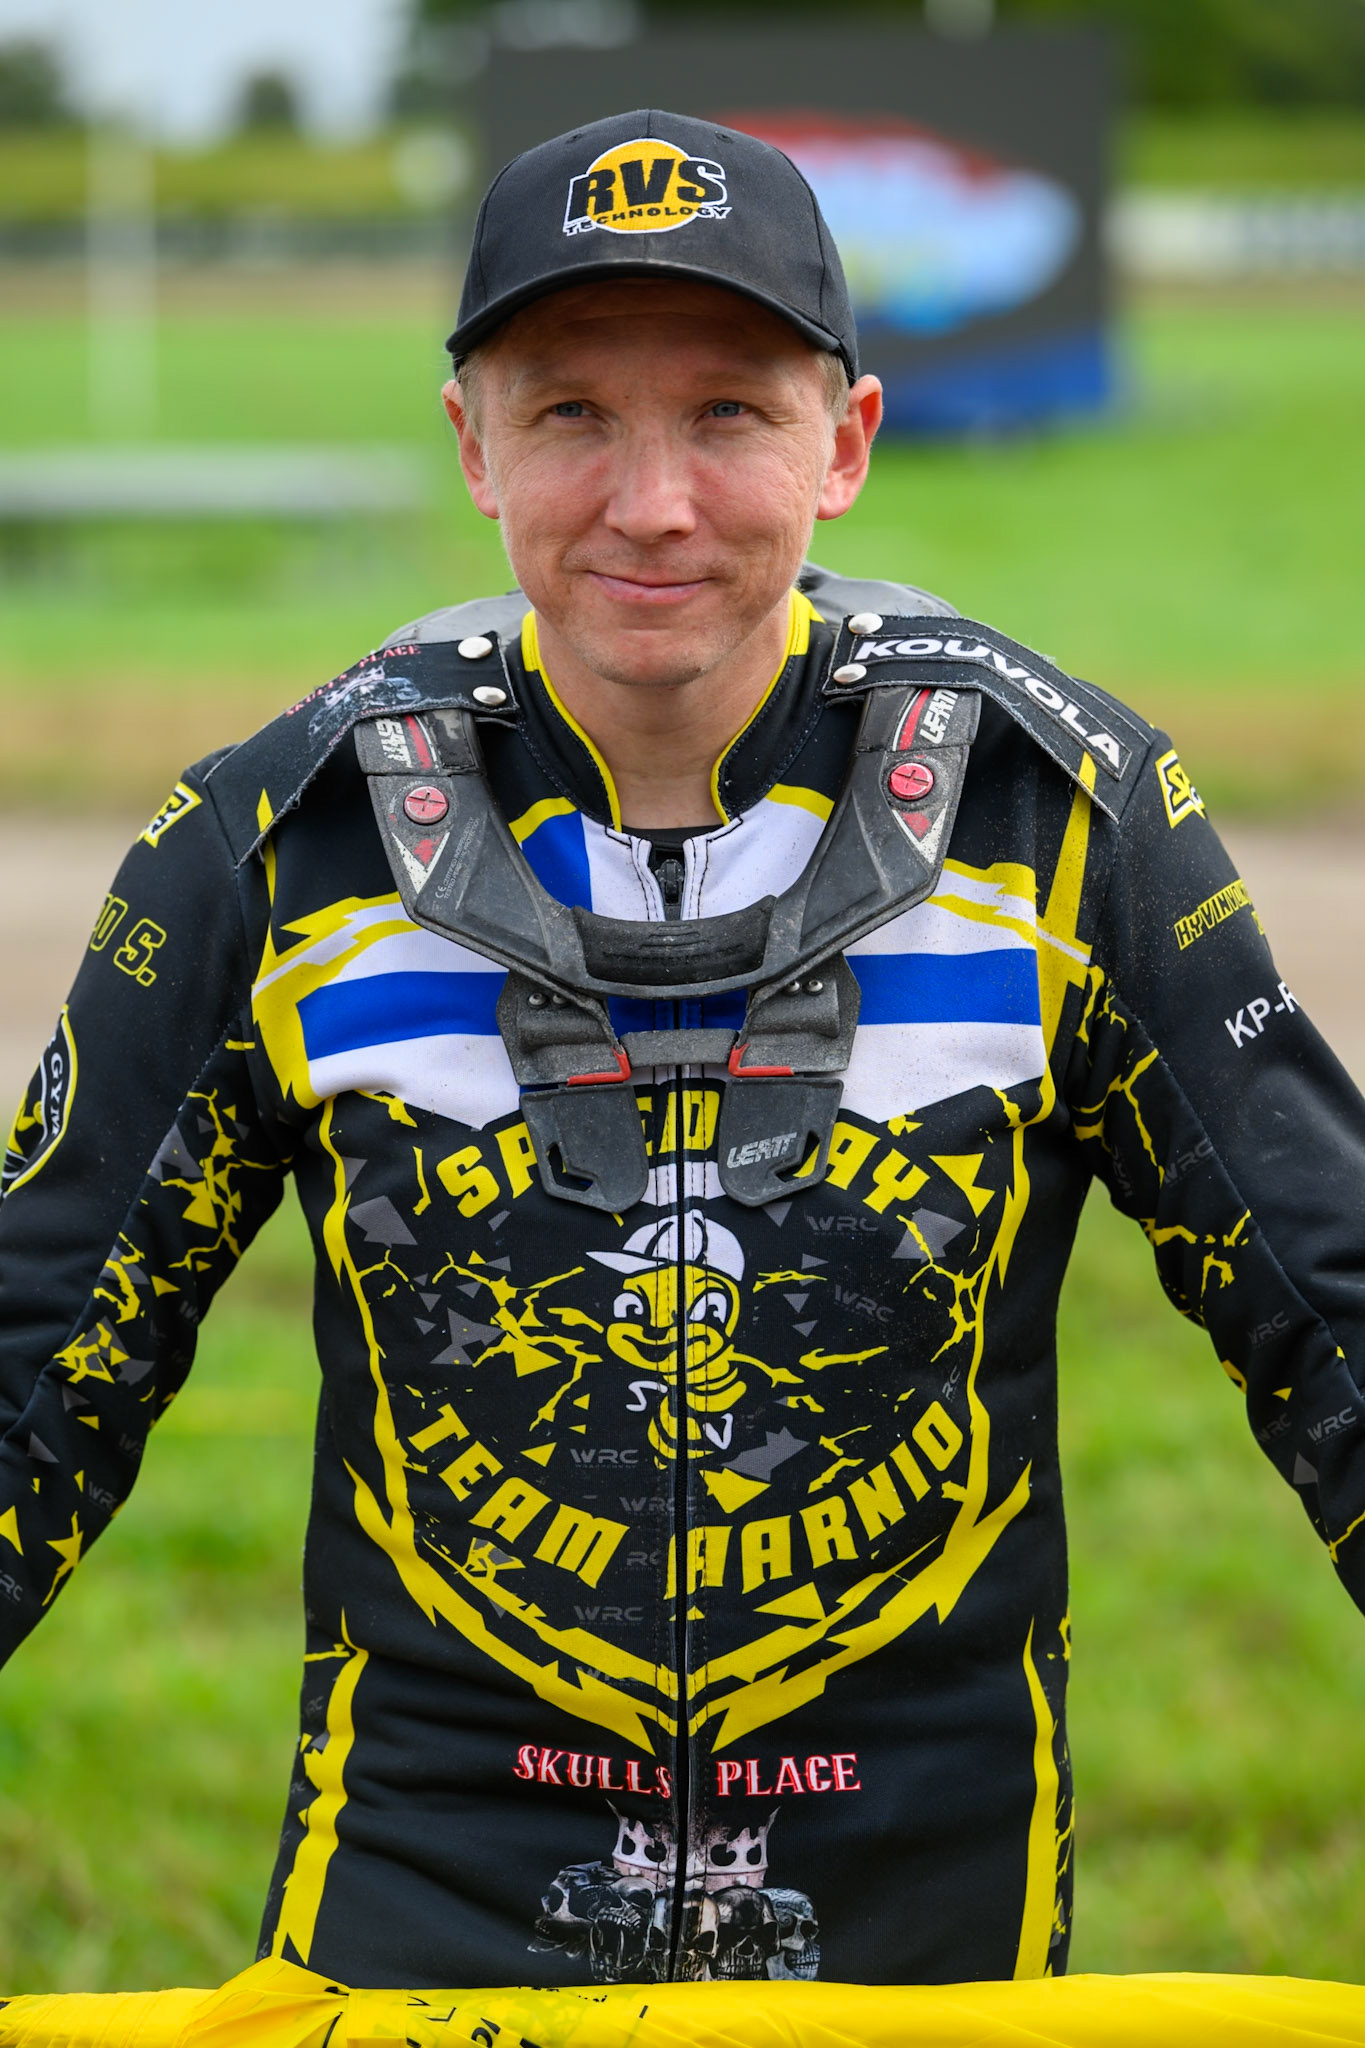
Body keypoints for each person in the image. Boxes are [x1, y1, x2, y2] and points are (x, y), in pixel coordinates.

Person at [2, 108, 1363, 1996]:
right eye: (571, 413)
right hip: (421, 1890)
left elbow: (1333, 1314)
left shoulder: (1061, 818)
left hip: (921, 1917)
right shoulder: (277, 840)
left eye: (728, 412)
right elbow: (35, 1363)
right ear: (471, 443)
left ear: (845, 444)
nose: (651, 503)